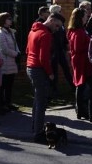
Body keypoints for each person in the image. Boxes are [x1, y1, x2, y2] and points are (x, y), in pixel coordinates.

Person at [27, 12, 65, 140]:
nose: (57, 29)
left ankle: (34, 127)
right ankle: (38, 133)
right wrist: (50, 74)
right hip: (39, 69)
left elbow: (27, 50)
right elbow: (44, 58)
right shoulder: (46, 35)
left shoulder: (33, 30)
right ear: (51, 20)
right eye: (57, 26)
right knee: (41, 102)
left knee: (37, 99)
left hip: (30, 67)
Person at [68, 8, 92, 120]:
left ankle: (81, 111)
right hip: (82, 62)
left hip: (81, 62)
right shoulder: (78, 32)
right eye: (85, 16)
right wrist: (90, 44)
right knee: (88, 87)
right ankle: (85, 111)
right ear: (80, 18)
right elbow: (78, 48)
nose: (87, 18)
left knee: (81, 87)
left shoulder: (76, 30)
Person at [0, 12, 20, 112]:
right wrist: (16, 54)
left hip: (12, 62)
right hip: (5, 62)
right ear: (3, 20)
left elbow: (15, 45)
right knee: (4, 85)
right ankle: (2, 104)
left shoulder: (11, 32)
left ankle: (8, 103)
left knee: (10, 85)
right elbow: (4, 49)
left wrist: (18, 52)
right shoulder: (0, 33)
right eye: (8, 18)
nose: (11, 20)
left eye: (11, 18)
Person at [48, 4, 73, 98]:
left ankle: (72, 86)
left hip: (61, 50)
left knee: (66, 68)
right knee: (54, 70)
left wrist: (66, 47)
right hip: (54, 51)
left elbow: (63, 36)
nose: (61, 12)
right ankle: (54, 89)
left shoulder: (61, 24)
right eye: (60, 11)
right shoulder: (53, 24)